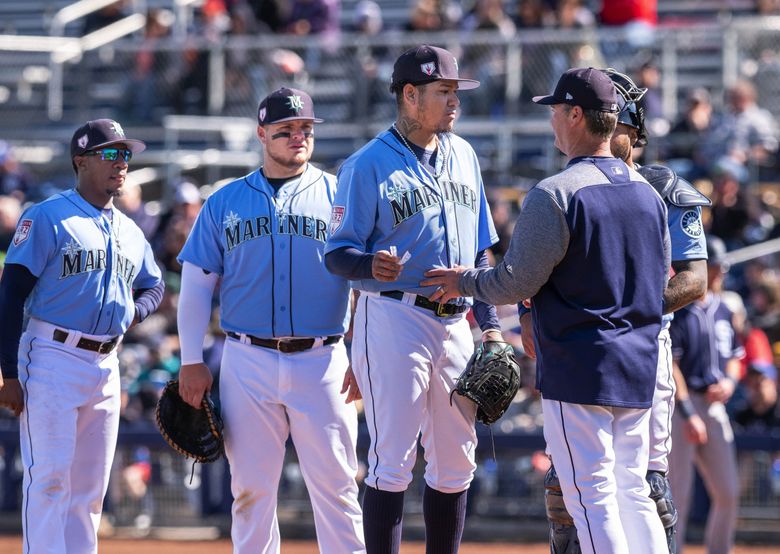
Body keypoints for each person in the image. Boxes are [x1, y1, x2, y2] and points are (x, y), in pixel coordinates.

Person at [423, 67, 671, 553]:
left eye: (557, 110)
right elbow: (659, 281)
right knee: (633, 491)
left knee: (591, 497)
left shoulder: (556, 191)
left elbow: (515, 280)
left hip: (580, 363)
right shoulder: (649, 193)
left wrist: (462, 282)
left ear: (577, 115)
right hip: (639, 359)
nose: (553, 120)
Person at [324, 45, 503, 554]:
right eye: (443, 92)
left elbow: (481, 252)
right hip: (394, 317)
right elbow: (336, 256)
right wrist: (368, 265)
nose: (454, 102)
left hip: (457, 321)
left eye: (455, 92)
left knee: (456, 461)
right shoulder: (367, 165)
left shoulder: (464, 154)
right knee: (392, 460)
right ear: (410, 96)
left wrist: (490, 327)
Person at [527, 68, 710, 553]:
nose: (617, 129)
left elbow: (696, 282)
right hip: (599, 342)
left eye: (623, 122)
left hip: (647, 344)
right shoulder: (575, 186)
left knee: (639, 487)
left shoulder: (661, 188)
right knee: (569, 493)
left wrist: (625, 310)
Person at [176, 87, 364, 554]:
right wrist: (189, 359)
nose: (298, 136)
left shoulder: (341, 195)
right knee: (251, 490)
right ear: (262, 134)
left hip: (325, 360)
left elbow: (367, 286)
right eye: (286, 130)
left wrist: (362, 355)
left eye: (305, 128)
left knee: (338, 487)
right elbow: (197, 285)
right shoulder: (225, 202)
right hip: (247, 358)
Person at [0, 118, 164, 553]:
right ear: (81, 161)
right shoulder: (48, 216)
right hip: (52, 355)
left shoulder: (130, 230)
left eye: (125, 154)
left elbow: (155, 284)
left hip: (105, 364)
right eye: (110, 154)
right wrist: (8, 372)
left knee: (89, 493)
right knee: (50, 480)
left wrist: (134, 312)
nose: (121, 163)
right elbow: (10, 294)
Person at [668, 235, 742, 554]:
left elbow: (736, 358)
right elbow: (672, 366)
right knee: (678, 494)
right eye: (714, 267)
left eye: (720, 268)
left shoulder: (725, 309)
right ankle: (673, 549)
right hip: (682, 408)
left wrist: (730, 383)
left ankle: (719, 550)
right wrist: (687, 413)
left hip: (714, 406)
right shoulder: (679, 312)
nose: (718, 273)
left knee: (728, 492)